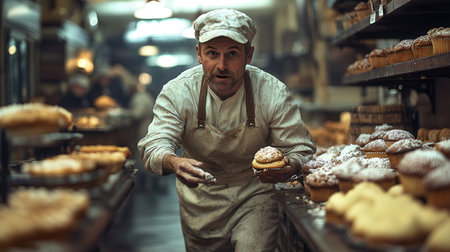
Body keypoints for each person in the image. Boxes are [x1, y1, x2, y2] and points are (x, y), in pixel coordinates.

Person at [138, 9, 315, 252]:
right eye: (212, 53)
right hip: (199, 200)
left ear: (248, 55)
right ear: (199, 54)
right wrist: (172, 161)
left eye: (232, 54)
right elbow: (154, 145)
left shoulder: (272, 92)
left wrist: (290, 167)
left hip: (254, 195)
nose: (221, 65)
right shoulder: (178, 92)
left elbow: (300, 148)